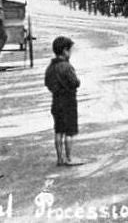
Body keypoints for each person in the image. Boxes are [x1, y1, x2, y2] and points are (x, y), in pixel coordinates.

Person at [44, 36, 82, 166]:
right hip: (69, 100)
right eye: (70, 50)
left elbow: (47, 82)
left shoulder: (51, 67)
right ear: (65, 51)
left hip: (56, 100)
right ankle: (69, 158)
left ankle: (59, 158)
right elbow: (75, 82)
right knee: (69, 131)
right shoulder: (67, 67)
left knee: (58, 130)